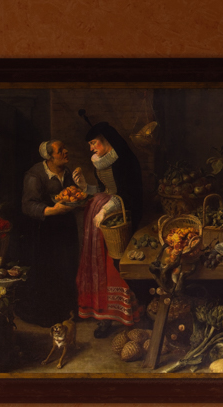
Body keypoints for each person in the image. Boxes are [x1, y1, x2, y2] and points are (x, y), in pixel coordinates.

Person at [14, 140, 87, 365]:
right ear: (49, 157)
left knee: (68, 266)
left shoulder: (68, 172)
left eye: (65, 148)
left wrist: (82, 188)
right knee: (48, 270)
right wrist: (52, 210)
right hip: (44, 230)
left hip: (65, 228)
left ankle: (67, 313)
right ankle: (48, 316)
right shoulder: (35, 175)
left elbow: (77, 197)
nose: (66, 152)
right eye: (60, 151)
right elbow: (28, 205)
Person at [72, 122, 143, 338]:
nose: (91, 148)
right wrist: (85, 187)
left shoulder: (126, 160)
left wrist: (105, 211)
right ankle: (103, 316)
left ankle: (124, 314)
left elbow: (127, 195)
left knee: (114, 265)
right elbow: (103, 190)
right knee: (98, 264)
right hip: (100, 218)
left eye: (94, 143)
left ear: (107, 141)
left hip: (121, 218)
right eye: (90, 144)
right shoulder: (99, 161)